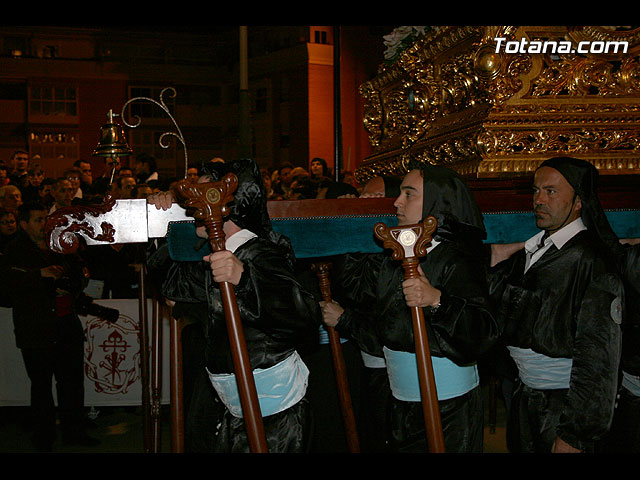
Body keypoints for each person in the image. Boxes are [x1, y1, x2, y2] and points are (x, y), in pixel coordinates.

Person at [321, 161, 499, 453]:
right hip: (401, 400)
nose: (396, 202)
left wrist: (437, 300)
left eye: (408, 194)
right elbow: (360, 295)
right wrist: (354, 221)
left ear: (435, 202)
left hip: (447, 406)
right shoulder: (398, 256)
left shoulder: (457, 259)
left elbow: (482, 332)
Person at [147, 158, 321, 453]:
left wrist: (243, 278)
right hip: (234, 408)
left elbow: (305, 313)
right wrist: (162, 223)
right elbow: (170, 286)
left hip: (276, 415)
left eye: (198, 196)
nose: (191, 207)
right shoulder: (216, 252)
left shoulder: (261, 251)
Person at [487, 156, 624, 453]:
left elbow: (600, 359)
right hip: (526, 397)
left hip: (562, 408)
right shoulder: (532, 250)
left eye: (551, 192)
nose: (539, 200)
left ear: (578, 201)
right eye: (536, 191)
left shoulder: (591, 260)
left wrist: (575, 435)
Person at [1, 202, 99, 451]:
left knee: (72, 383)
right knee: (42, 385)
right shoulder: (13, 250)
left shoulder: (60, 243)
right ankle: (44, 435)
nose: (44, 223)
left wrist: (70, 283)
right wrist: (40, 276)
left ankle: (74, 431)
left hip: (66, 323)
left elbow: (80, 274)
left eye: (46, 217)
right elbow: (6, 286)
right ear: (23, 224)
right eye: (37, 219)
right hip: (36, 327)